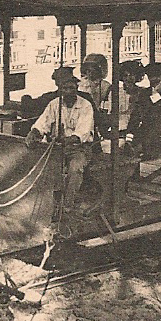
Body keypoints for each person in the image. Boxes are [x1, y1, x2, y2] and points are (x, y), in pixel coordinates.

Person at [26, 68, 95, 221]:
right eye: (65, 88)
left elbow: (82, 133)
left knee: (75, 168)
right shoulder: (54, 104)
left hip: (79, 148)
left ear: (77, 88)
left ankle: (67, 207)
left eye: (72, 88)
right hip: (58, 147)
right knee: (40, 164)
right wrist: (34, 133)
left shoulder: (85, 106)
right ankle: (43, 204)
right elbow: (43, 122)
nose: (68, 91)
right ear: (60, 89)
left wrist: (67, 140)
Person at [79, 53, 112, 133]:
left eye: (93, 70)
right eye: (88, 70)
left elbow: (105, 106)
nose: (90, 73)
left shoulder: (105, 86)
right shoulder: (81, 84)